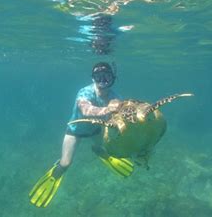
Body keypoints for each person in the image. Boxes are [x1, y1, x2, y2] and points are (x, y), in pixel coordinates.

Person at [29, 62, 134, 208]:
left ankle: (99, 151)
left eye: (107, 75)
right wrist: (108, 110)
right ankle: (55, 175)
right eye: (98, 76)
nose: (103, 79)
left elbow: (118, 115)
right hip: (75, 131)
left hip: (96, 130)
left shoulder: (115, 97)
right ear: (93, 79)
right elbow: (86, 110)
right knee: (65, 163)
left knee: (100, 148)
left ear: (113, 78)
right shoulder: (84, 92)